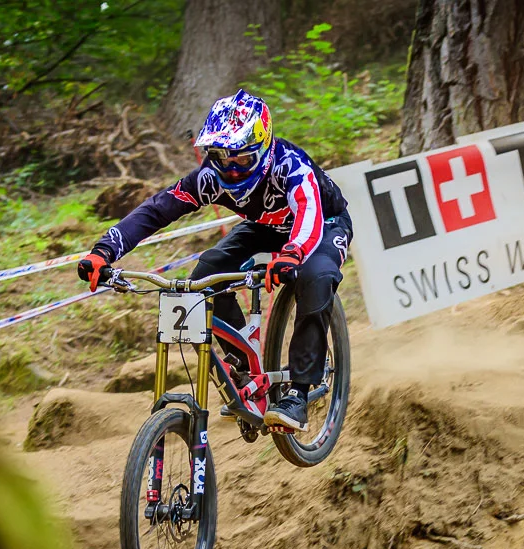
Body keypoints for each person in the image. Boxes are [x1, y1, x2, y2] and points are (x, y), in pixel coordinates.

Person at [78, 89, 351, 432]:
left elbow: (309, 212)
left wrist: (292, 254)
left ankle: (297, 394)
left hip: (323, 224)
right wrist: (103, 251)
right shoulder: (209, 177)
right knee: (205, 276)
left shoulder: (290, 166)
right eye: (222, 158)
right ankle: (243, 367)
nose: (232, 170)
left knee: (315, 276)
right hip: (265, 226)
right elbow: (156, 210)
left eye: (242, 160)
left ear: (264, 149)